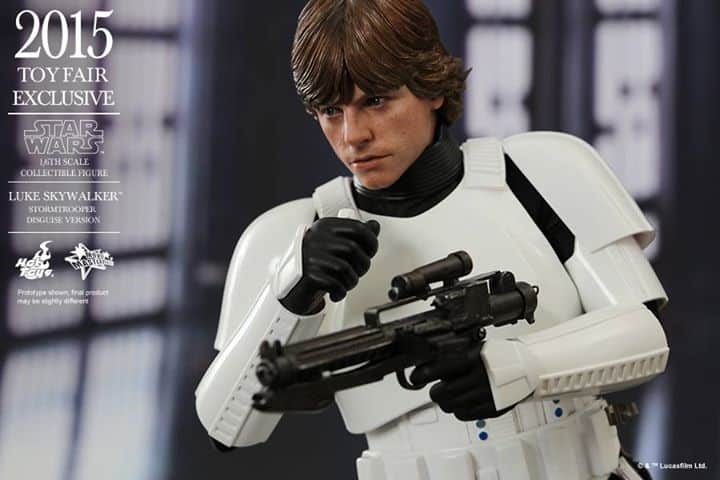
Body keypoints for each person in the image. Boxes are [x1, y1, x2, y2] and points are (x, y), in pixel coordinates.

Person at [195, 1, 669, 479]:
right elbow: (225, 427)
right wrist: (293, 293)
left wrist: (521, 365)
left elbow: (645, 333)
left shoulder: (538, 172)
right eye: (330, 110)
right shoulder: (289, 236)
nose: (352, 135)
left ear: (432, 88)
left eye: (375, 101)